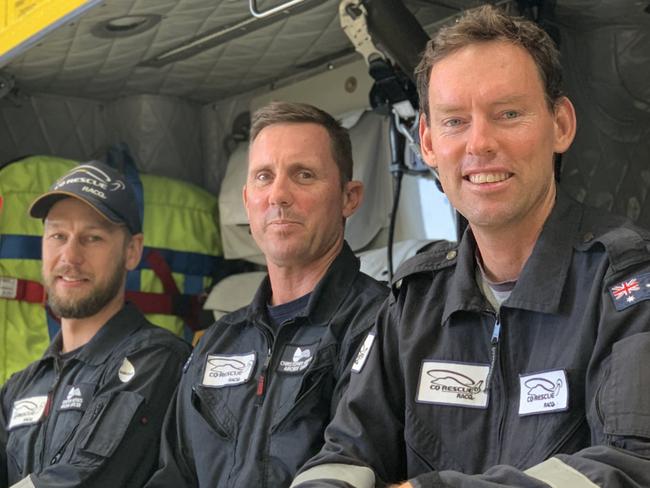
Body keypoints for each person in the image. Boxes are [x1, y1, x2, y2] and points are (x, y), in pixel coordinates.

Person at [291, 5, 650, 488]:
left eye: (508, 114)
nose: (480, 143)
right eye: (455, 121)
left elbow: (631, 465)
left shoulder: (627, 286)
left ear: (560, 125)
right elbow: (344, 452)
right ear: (428, 142)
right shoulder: (413, 303)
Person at [145, 102, 388, 487]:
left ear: (349, 197)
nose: (278, 195)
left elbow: (356, 464)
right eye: (263, 177)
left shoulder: (383, 323)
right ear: (247, 201)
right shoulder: (217, 342)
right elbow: (174, 475)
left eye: (303, 175)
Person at [0, 161, 191, 488]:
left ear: (132, 251)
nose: (70, 256)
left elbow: (89, 477)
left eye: (92, 238)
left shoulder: (157, 361)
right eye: (58, 235)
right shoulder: (20, 387)